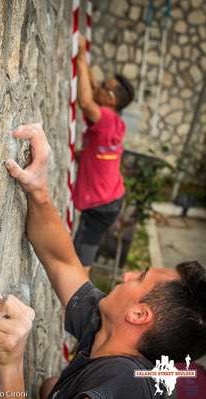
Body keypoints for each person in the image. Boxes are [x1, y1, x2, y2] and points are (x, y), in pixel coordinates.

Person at [0, 124, 206, 399]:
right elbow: (62, 261)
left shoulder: (127, 386)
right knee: (49, 387)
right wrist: (37, 187)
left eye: (140, 278)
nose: (127, 275)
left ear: (138, 315)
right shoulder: (106, 327)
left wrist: (8, 365)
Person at [73, 37, 135, 276]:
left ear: (110, 99)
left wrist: (80, 58)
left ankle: (80, 299)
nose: (96, 85)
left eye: (102, 87)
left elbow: (86, 101)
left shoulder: (106, 119)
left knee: (82, 257)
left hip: (101, 205)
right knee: (83, 249)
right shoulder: (115, 121)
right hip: (109, 200)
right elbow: (93, 86)